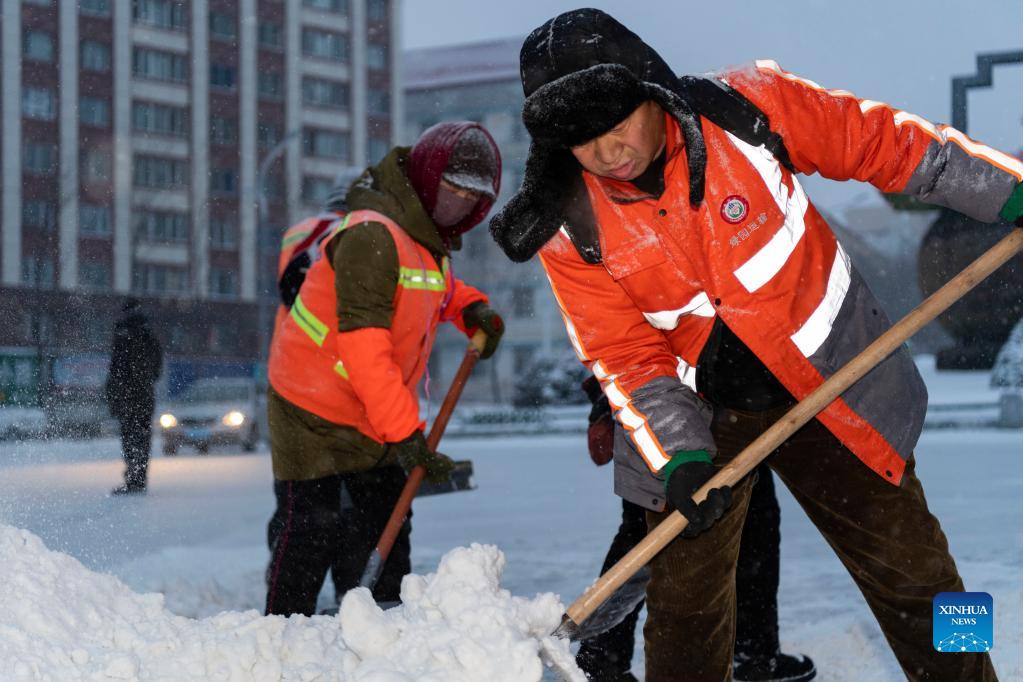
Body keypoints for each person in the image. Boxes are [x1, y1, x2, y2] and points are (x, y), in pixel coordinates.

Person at [491, 9, 1022, 681]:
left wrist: (1004, 190)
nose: (606, 152)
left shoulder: (747, 109)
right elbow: (623, 356)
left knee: (923, 575)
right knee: (684, 610)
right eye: (582, 141)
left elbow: (884, 143)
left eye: (617, 122)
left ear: (650, 90)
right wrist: (678, 456)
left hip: (835, 383)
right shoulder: (569, 226)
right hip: (700, 419)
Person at [264, 121, 506, 616]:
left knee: (382, 538)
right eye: (451, 191)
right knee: (310, 535)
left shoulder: (421, 237)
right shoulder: (373, 235)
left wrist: (471, 309)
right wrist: (405, 434)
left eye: (470, 198)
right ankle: (281, 647)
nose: (458, 205)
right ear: (426, 176)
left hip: (371, 407)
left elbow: (428, 288)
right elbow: (365, 348)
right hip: (313, 408)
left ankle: (378, 640)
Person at [575, 378, 814, 682]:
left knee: (749, 525)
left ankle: (602, 659)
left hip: (706, 402)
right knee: (649, 535)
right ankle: (602, 658)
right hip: (679, 408)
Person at [104, 298, 163, 495]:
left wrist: (115, 394)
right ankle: (139, 478)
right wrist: (145, 379)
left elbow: (116, 369)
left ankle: (134, 478)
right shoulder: (148, 335)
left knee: (130, 438)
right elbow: (156, 368)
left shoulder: (122, 333)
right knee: (141, 438)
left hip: (127, 396)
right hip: (143, 395)